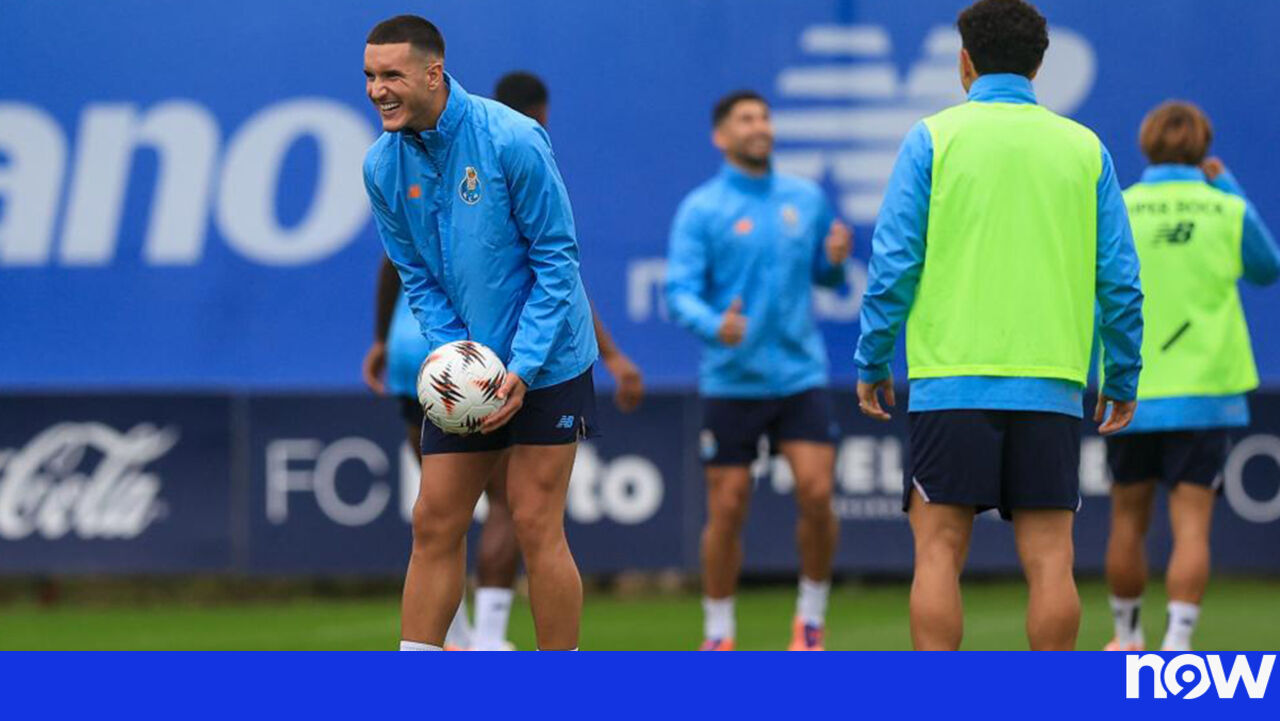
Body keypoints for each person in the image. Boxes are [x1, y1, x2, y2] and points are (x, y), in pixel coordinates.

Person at [854, 0, 1144, 651]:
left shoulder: (933, 138)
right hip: (1051, 384)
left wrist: (873, 358)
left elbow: (893, 264)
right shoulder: (1084, 147)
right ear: (1039, 65)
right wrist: (1122, 374)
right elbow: (1121, 282)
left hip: (950, 381)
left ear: (965, 62)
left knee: (937, 553)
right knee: (1052, 559)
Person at [360, 70, 643, 651]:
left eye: (391, 74)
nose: (376, 89)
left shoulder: (513, 137)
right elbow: (413, 272)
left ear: (432, 74)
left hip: (551, 363)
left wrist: (523, 366)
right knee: (434, 520)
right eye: (369, 75)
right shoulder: (382, 164)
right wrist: (457, 355)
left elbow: (557, 260)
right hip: (471, 368)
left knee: (535, 522)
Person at [666, 91, 852, 651]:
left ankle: (811, 620)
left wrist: (833, 262)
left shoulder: (805, 198)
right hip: (732, 379)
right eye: (746, 119)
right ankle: (719, 632)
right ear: (721, 136)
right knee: (726, 508)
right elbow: (679, 291)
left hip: (800, 375)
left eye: (765, 117)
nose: (760, 127)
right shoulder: (702, 209)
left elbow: (828, 279)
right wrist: (713, 324)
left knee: (817, 493)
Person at [1103, 101, 1280, 653]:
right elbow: (1268, 268)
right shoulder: (1224, 208)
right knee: (1193, 526)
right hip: (1204, 392)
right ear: (1203, 147)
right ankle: (1177, 644)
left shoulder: (1121, 206)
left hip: (1132, 391)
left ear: (1147, 144)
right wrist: (1225, 184)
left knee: (1127, 520)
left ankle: (1127, 636)